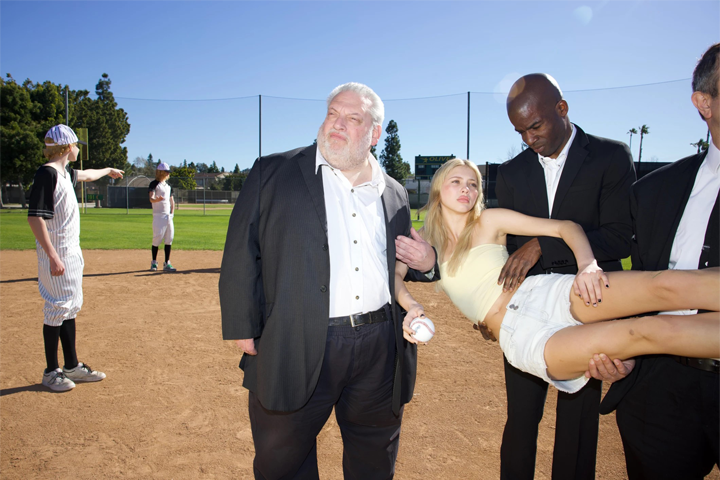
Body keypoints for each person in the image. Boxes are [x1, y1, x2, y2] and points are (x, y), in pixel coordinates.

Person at [219, 82, 438, 480]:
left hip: (378, 347)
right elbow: (239, 250)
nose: (337, 124)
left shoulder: (394, 193)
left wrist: (429, 260)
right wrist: (242, 324)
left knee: (374, 459)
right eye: (333, 113)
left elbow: (400, 265)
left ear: (373, 133)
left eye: (352, 118)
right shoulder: (274, 171)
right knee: (282, 459)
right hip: (297, 338)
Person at [395, 157, 720, 421]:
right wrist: (411, 306)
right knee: (647, 332)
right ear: (438, 188)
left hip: (546, 292)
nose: (466, 189)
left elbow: (566, 227)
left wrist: (587, 265)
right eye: (457, 181)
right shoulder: (426, 243)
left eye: (473, 184)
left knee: (662, 285)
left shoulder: (490, 220)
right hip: (521, 337)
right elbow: (395, 276)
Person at [494, 73, 636, 479]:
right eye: (520, 131)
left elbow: (617, 238)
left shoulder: (610, 157)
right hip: (528, 308)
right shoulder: (511, 173)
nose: (528, 139)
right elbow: (505, 253)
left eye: (534, 126)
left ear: (562, 109)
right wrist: (490, 308)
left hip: (587, 303)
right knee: (520, 420)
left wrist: (544, 243)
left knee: (577, 425)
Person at [598, 42, 720, 479]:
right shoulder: (653, 190)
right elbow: (636, 283)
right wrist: (625, 352)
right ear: (704, 103)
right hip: (660, 386)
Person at [27, 124, 124, 392]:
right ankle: (51, 371)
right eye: (76, 145)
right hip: (57, 251)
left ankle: (71, 366)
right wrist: (52, 256)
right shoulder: (47, 174)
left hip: (71, 251)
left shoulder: (65, 173)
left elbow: (88, 175)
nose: (78, 148)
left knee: (70, 306)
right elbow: (35, 217)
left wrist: (108, 170)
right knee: (56, 307)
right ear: (68, 147)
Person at [148, 162, 176, 272]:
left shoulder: (168, 186)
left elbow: (171, 200)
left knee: (169, 238)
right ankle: (154, 262)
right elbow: (151, 198)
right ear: (160, 172)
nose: (168, 173)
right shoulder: (154, 184)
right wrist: (156, 200)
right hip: (158, 215)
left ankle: (167, 263)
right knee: (157, 238)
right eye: (166, 171)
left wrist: (172, 212)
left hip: (168, 216)